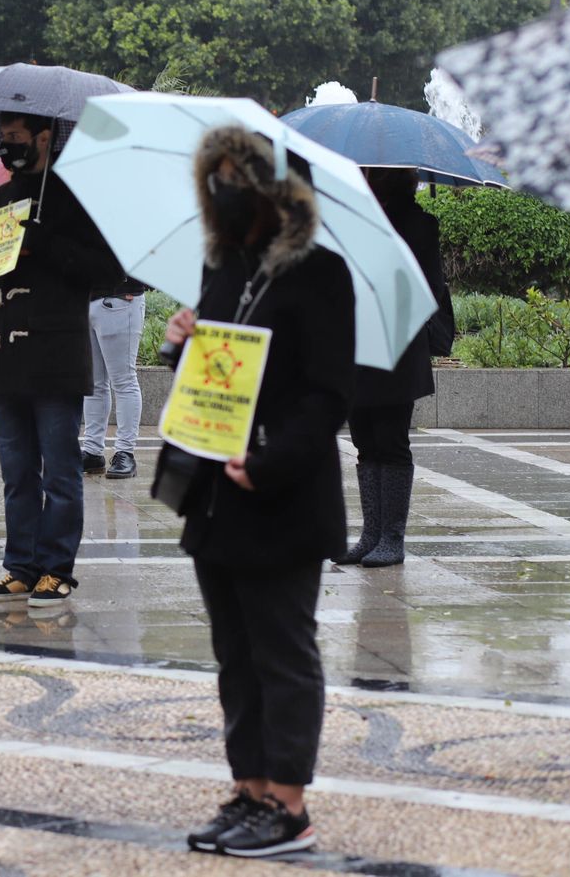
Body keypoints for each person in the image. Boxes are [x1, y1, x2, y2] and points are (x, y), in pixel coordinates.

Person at [164, 125, 355, 858]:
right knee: (234, 651)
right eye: (215, 174)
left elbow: (330, 395)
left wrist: (270, 457)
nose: (225, 185)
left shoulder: (318, 275)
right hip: (216, 496)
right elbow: (211, 376)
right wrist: (182, 342)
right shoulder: (225, 266)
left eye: (239, 173)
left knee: (282, 650)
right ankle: (247, 789)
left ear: (278, 187)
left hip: (281, 494)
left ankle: (288, 804)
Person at [0, 112, 122, 609]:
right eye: (4, 139)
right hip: (5, 356)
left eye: (16, 139)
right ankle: (21, 567)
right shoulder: (2, 199)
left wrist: (45, 240)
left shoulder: (75, 196)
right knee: (17, 473)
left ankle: (56, 569)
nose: (8, 147)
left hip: (54, 354)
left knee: (60, 472)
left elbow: (108, 270)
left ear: (44, 137)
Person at [333, 167, 449, 568]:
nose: (363, 176)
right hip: (356, 340)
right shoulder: (354, 217)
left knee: (391, 441)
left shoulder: (419, 224)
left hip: (398, 345)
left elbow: (427, 286)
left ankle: (392, 538)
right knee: (365, 441)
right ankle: (370, 533)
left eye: (372, 173)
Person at [81, 275, 147, 480]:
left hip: (120, 298)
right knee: (93, 383)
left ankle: (125, 452)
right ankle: (92, 452)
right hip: (88, 298)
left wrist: (133, 282)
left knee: (124, 380)